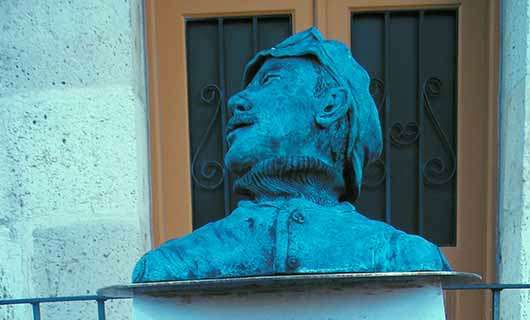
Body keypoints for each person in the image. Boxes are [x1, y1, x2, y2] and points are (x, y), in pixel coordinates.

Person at [133, 27, 449, 282]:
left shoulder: (404, 259)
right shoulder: (171, 266)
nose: (237, 101)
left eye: (269, 81)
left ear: (330, 105)